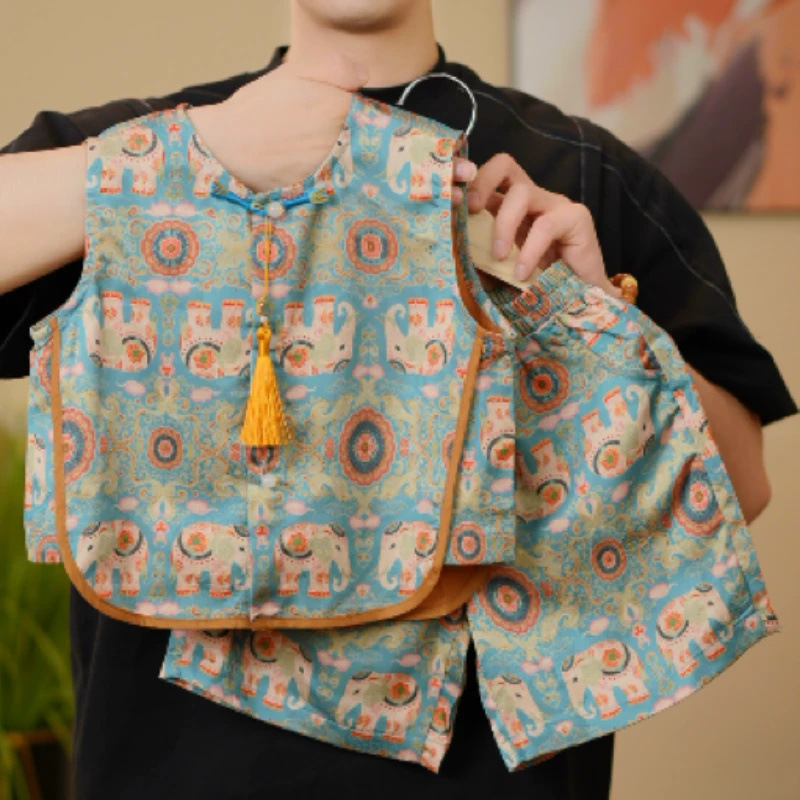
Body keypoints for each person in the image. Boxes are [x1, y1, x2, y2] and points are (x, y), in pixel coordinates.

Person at [0, 1, 794, 798]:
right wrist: (194, 150)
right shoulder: (131, 142)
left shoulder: (586, 175)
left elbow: (739, 488)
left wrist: (597, 325)